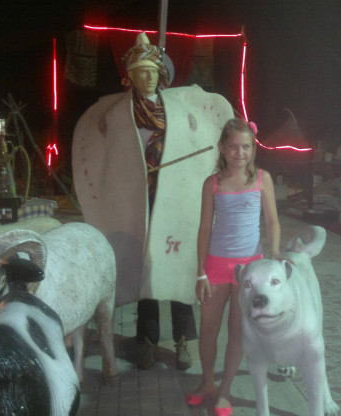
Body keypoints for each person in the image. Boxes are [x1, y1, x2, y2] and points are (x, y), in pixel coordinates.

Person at [188, 118, 281, 416]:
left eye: (246, 147)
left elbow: (272, 221)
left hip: (249, 271)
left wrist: (275, 254)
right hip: (215, 266)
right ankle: (207, 383)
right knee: (207, 329)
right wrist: (200, 272)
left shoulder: (263, 179)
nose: (240, 152)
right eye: (233, 147)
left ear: (253, 148)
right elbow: (204, 229)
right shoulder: (212, 183)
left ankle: (225, 390)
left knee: (237, 331)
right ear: (222, 148)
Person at [122, 33, 197, 371]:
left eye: (153, 71)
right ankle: (148, 339)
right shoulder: (123, 113)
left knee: (177, 266)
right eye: (141, 71)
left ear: (161, 73)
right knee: (148, 270)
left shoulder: (176, 110)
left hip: (176, 198)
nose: (148, 77)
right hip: (142, 200)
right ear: (130, 76)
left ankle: (182, 340)